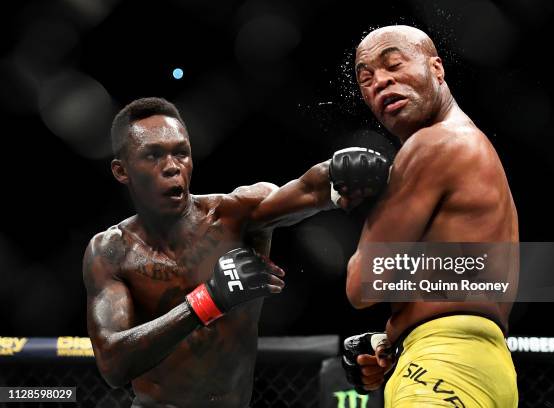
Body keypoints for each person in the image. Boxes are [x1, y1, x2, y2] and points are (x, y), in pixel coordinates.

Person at [83, 97, 389, 408]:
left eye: (181, 153)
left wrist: (339, 174)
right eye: (153, 156)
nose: (172, 167)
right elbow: (113, 363)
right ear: (122, 171)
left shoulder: (235, 215)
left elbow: (307, 190)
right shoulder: (112, 251)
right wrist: (209, 300)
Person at [341, 26, 519, 407]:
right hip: (488, 366)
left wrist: (370, 197)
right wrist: (393, 337)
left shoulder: (431, 143)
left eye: (394, 64)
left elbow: (362, 283)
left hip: (442, 365)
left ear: (437, 68)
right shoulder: (471, 145)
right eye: (366, 79)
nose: (381, 82)